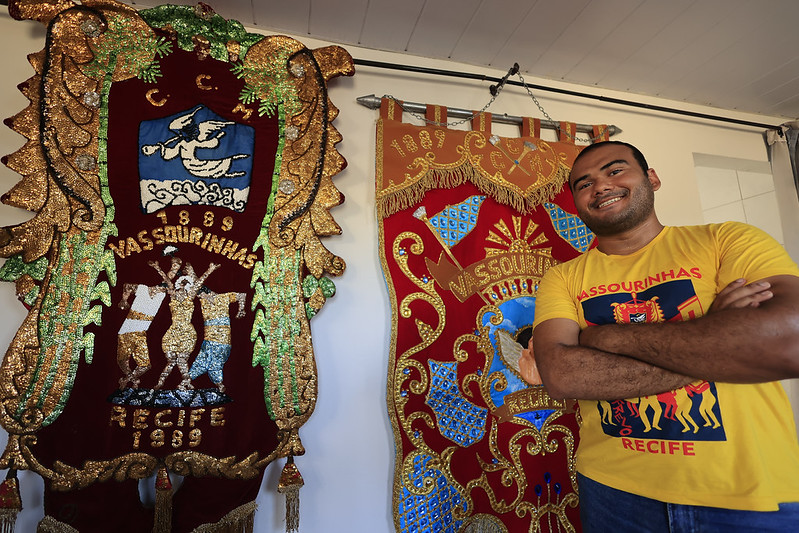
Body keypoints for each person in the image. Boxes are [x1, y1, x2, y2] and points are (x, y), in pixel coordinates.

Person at [530, 141, 799, 531]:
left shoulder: (726, 240)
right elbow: (562, 376)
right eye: (583, 183)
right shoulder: (562, 277)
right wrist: (715, 336)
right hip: (614, 492)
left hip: (748, 494)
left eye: (615, 170)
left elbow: (786, 344)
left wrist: (605, 339)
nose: (601, 186)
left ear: (651, 178)